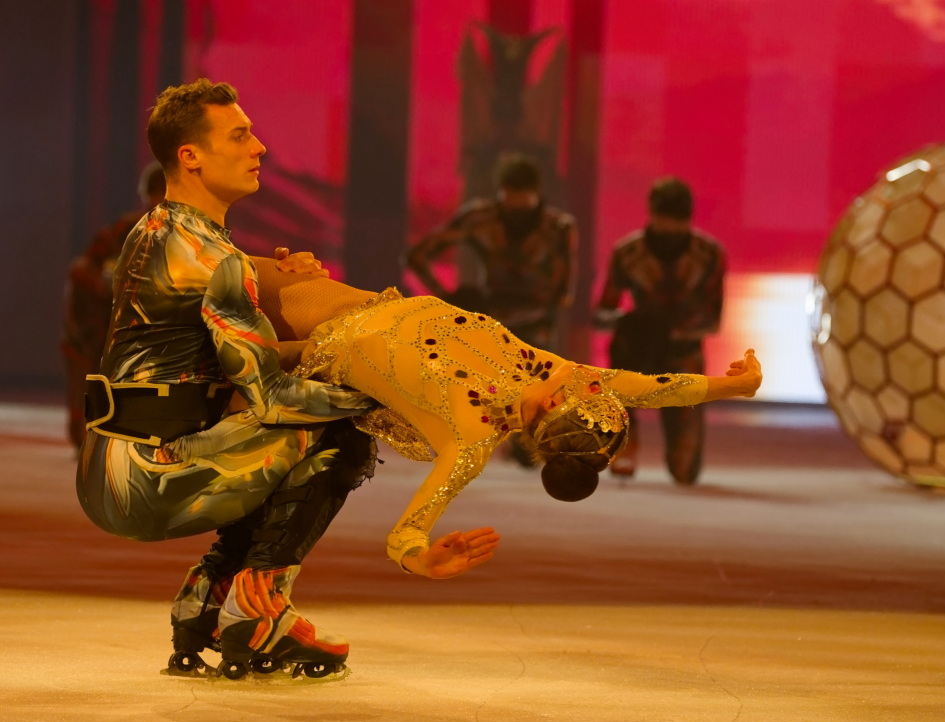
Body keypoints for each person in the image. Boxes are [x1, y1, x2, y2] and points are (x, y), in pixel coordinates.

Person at [75, 78, 382, 680]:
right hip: (151, 476)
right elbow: (272, 397)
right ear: (190, 155)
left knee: (270, 434)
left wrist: (300, 316)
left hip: (110, 465)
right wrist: (373, 394)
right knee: (339, 430)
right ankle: (257, 611)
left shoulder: (158, 231)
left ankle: (207, 600)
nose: (259, 147)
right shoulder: (214, 259)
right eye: (240, 135)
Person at [176, 268, 763, 579]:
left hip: (309, 349)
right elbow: (648, 386)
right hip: (349, 303)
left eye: (586, 390)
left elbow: (410, 528)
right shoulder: (541, 370)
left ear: (555, 410)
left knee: (194, 313)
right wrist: (730, 386)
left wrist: (421, 558)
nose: (592, 377)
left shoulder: (471, 439)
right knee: (197, 267)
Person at [595, 177, 727, 485]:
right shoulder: (628, 253)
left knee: (684, 471)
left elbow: (712, 319)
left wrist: (673, 331)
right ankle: (625, 440)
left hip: (683, 352)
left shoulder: (709, 255)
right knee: (619, 365)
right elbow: (603, 311)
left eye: (678, 220)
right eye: (665, 218)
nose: (670, 228)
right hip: (636, 348)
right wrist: (633, 322)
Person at [402, 152, 576, 352]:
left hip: (533, 332)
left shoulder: (557, 228)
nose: (516, 220)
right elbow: (417, 256)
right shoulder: (481, 220)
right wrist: (449, 300)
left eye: (522, 211)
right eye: (512, 210)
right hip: (490, 327)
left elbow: (563, 293)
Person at [61, 163, 165, 449]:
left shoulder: (188, 235)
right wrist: (108, 287)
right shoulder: (130, 229)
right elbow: (85, 270)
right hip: (102, 331)